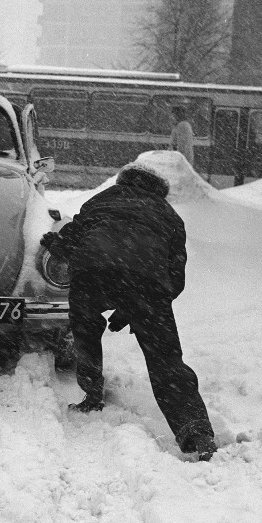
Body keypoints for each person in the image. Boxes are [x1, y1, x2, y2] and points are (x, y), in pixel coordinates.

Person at [40, 162, 217, 461]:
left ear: (125, 181)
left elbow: (73, 237)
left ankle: (92, 393)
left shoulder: (102, 199)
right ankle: (196, 431)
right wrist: (139, 308)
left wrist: (57, 245)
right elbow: (175, 278)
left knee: (85, 331)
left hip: (92, 271)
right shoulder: (169, 215)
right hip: (147, 281)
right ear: (159, 191)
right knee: (166, 360)